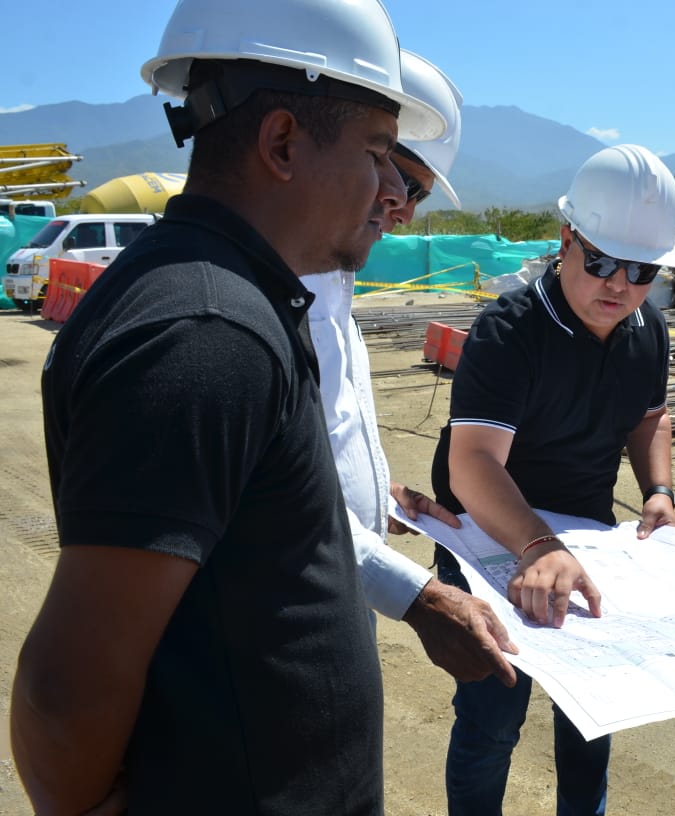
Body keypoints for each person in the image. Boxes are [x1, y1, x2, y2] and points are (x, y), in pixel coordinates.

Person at [9, 1, 446, 813]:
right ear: (283, 142)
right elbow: (66, 685)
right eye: (379, 153)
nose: (391, 187)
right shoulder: (208, 334)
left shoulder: (234, 300)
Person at [429, 143, 675, 815]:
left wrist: (658, 489)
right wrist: (538, 547)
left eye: (641, 270)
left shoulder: (645, 331)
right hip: (488, 542)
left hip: (584, 543)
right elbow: (473, 462)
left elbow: (650, 415)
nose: (618, 285)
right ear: (566, 238)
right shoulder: (510, 333)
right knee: (491, 720)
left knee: (590, 717)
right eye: (600, 260)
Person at [304, 49, 515, 688]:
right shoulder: (261, 309)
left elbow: (312, 451)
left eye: (416, 192)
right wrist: (420, 595)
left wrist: (375, 496)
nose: (404, 207)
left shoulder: (331, 285)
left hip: (334, 601)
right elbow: (265, 504)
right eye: (399, 177)